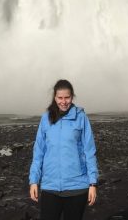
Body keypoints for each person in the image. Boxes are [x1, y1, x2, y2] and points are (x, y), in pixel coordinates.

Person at [29, 79, 98, 220]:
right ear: (55, 98)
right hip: (50, 186)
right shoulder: (46, 118)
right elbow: (39, 152)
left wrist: (92, 183)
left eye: (67, 97)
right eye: (60, 98)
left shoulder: (81, 117)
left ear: (72, 97)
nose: (64, 101)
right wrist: (33, 181)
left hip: (77, 186)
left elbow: (89, 151)